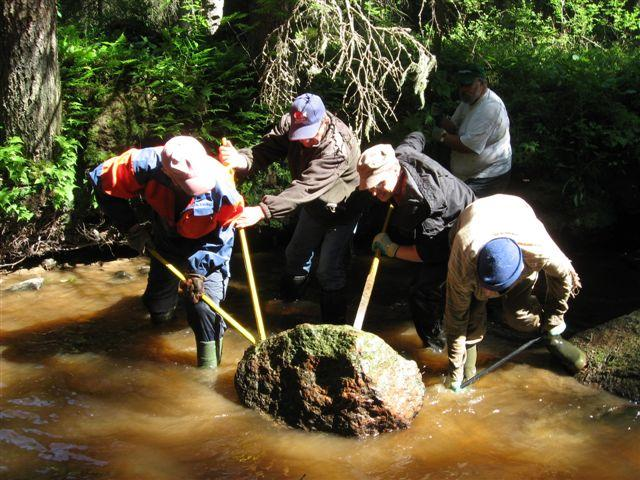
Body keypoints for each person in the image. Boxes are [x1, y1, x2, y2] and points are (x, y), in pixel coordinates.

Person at [88, 135, 244, 368]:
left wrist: (198, 270)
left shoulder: (221, 185)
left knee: (203, 306)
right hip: (167, 236)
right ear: (168, 174)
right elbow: (100, 181)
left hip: (208, 245)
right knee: (157, 305)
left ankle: (208, 370)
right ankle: (161, 325)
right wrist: (131, 227)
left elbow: (224, 233)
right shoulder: (141, 166)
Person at [218, 93, 364, 324]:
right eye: (300, 135)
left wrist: (262, 211)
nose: (305, 141)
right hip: (313, 205)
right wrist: (242, 160)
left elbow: (305, 188)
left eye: (310, 135)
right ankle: (289, 310)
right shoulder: (291, 123)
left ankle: (334, 329)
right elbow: (266, 149)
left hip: (343, 209)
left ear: (324, 121)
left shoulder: (338, 148)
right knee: (295, 256)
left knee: (328, 270)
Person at [444, 194, 587, 391]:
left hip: (517, 214)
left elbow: (564, 280)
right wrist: (454, 372)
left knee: (518, 316)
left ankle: (551, 338)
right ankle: (468, 370)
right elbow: (455, 317)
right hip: (474, 219)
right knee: (471, 313)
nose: (489, 293)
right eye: (487, 288)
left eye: (496, 290)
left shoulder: (538, 251)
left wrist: (554, 321)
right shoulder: (463, 257)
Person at [357, 132, 476, 351]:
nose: (374, 191)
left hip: (457, 229)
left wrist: (391, 249)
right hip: (434, 221)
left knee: (422, 292)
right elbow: (416, 136)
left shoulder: (426, 205)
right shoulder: (402, 154)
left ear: (395, 170)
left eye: (378, 184)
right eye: (369, 186)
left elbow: (430, 253)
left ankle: (436, 346)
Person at [431, 64, 512, 197]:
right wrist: (439, 118)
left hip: (487, 177)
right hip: (468, 175)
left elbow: (468, 146)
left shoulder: (489, 108)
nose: (463, 89)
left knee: (471, 213)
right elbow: (454, 127)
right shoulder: (469, 100)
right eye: (461, 84)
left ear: (482, 83)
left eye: (467, 84)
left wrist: (442, 136)